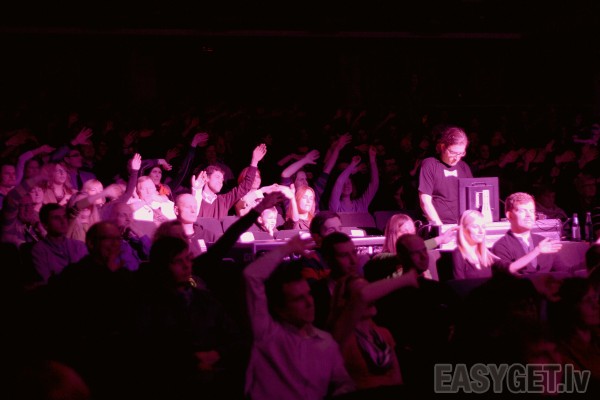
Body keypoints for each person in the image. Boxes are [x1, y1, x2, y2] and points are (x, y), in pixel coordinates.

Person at [132, 236, 246, 399]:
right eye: (178, 262)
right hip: (171, 383)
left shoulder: (205, 300)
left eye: (188, 259)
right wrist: (191, 361)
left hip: (215, 377)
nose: (186, 266)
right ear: (162, 267)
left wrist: (217, 353)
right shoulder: (149, 304)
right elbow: (148, 348)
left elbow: (235, 337)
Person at [243, 234, 355, 400]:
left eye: (308, 295)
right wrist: (287, 248)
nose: (310, 303)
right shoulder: (268, 334)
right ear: (280, 309)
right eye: (298, 299)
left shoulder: (326, 342)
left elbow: (344, 383)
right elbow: (252, 275)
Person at [453, 209, 563, 280]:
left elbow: (509, 268)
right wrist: (536, 251)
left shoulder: (487, 255)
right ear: (464, 229)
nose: (481, 231)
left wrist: (536, 251)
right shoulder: (458, 254)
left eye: (483, 227)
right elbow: (459, 288)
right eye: (475, 227)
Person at [492, 192, 565, 275]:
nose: (529, 215)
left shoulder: (543, 242)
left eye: (531, 211)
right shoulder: (501, 245)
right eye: (522, 211)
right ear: (510, 215)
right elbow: (506, 273)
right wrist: (537, 251)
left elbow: (563, 271)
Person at [418, 126, 473, 225]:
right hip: (436, 226)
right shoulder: (430, 164)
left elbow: (472, 199)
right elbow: (425, 201)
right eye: (453, 153)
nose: (457, 158)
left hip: (460, 226)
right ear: (443, 147)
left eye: (461, 153)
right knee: (431, 238)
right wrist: (440, 227)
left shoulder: (464, 167)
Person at [196, 144, 267, 220]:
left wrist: (254, 162)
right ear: (206, 177)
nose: (220, 182)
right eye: (217, 177)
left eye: (222, 179)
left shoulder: (224, 200)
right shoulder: (194, 197)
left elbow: (245, 186)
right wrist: (196, 190)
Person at [30, 204, 88, 284]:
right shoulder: (39, 250)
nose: (63, 221)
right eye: (56, 218)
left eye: (64, 216)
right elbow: (47, 281)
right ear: (45, 225)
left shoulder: (79, 246)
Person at [328, 146, 379, 213]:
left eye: (349, 182)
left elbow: (374, 184)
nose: (346, 185)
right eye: (344, 183)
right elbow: (339, 182)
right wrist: (352, 164)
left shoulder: (361, 204)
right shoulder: (335, 206)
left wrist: (372, 159)